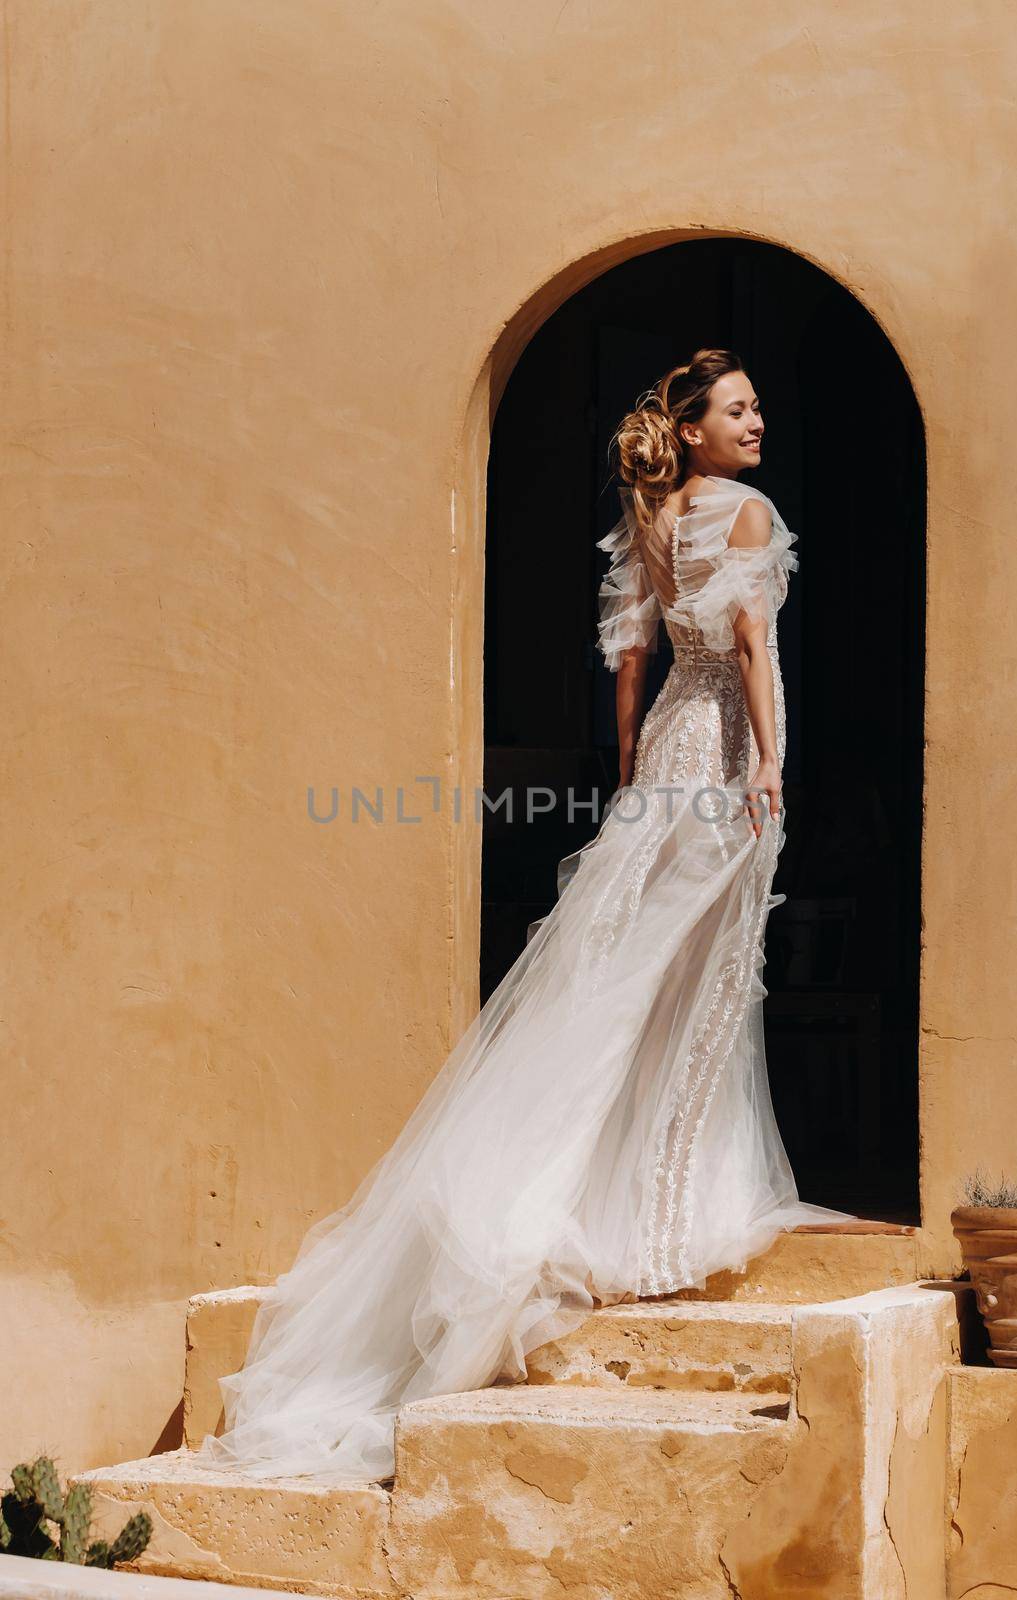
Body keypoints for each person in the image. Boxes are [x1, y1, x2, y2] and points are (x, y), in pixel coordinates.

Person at [198, 346, 852, 1484]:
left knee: (627, 973)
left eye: (756, 406)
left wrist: (632, 770)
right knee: (683, 980)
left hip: (665, 761)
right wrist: (772, 765)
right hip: (728, 752)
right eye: (737, 409)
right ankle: (651, 1210)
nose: (756, 421)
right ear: (691, 428)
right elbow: (752, 647)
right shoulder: (746, 515)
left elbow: (628, 658)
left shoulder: (654, 512)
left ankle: (625, 1193)